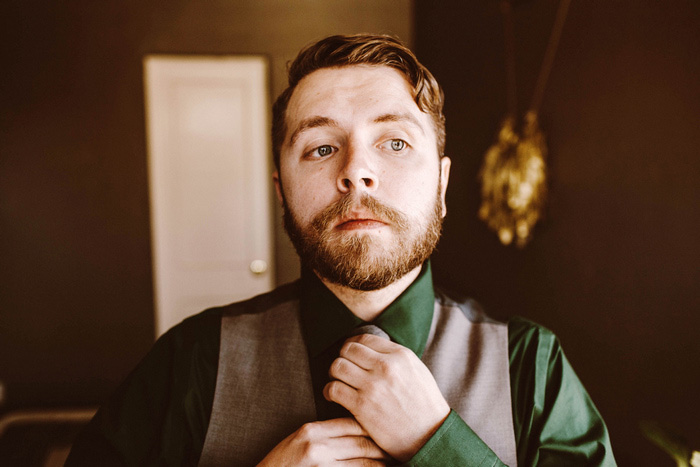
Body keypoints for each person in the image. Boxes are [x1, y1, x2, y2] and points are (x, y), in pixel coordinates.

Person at [66, 34, 616, 466]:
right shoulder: (190, 362)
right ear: (281, 189)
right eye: (322, 147)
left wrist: (441, 446)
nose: (356, 172)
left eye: (395, 143)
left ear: (443, 187)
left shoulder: (534, 368)